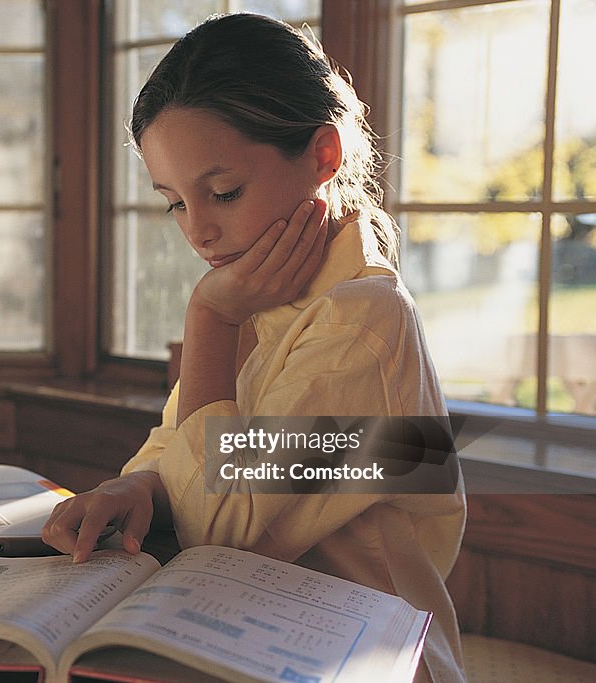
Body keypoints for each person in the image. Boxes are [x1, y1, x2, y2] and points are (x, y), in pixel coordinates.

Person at [41, 13, 466, 683]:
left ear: (324, 155)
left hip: (364, 662)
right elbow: (180, 446)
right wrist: (140, 483)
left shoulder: (363, 323)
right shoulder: (265, 298)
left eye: (224, 192)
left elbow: (220, 532)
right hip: (249, 641)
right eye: (175, 203)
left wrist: (208, 319)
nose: (200, 231)